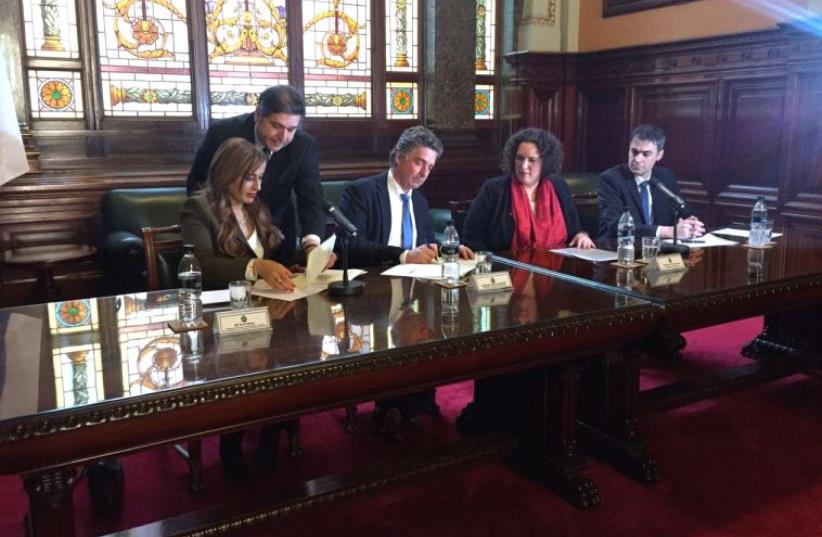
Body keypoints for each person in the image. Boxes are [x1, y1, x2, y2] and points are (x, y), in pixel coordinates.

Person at [180, 137, 302, 485]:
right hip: (220, 316)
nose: (256, 186)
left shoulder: (255, 208)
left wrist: (286, 268)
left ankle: (272, 435)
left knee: (290, 357)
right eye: (249, 177)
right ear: (228, 173)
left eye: (260, 178)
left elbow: (269, 257)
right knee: (239, 369)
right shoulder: (198, 207)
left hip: (265, 310)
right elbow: (201, 265)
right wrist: (257, 268)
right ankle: (230, 444)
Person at [186, 85, 324, 267]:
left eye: (291, 129)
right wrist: (223, 222)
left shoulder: (302, 146)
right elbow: (198, 183)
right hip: (226, 239)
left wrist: (312, 244)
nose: (283, 137)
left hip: (277, 236)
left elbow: (311, 199)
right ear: (258, 114)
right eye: (276, 126)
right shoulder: (223, 133)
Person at [338, 125, 474, 267]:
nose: (424, 173)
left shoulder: (419, 201)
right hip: (376, 277)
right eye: (419, 163)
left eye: (429, 167)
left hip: (416, 279)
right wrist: (404, 256)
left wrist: (448, 249)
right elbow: (351, 244)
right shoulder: (362, 192)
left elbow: (428, 242)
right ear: (399, 157)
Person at [462, 128, 595, 252]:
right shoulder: (494, 189)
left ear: (545, 162)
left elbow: (574, 230)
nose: (524, 166)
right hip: (504, 271)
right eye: (519, 158)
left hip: (555, 269)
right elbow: (471, 239)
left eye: (532, 160)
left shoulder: (558, 185)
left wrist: (581, 236)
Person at [597, 124, 705, 242]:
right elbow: (616, 225)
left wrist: (692, 223)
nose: (637, 159)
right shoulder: (611, 179)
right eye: (634, 151)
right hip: (619, 249)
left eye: (646, 154)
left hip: (657, 249)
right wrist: (669, 231)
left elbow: (685, 209)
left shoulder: (665, 177)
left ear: (659, 155)